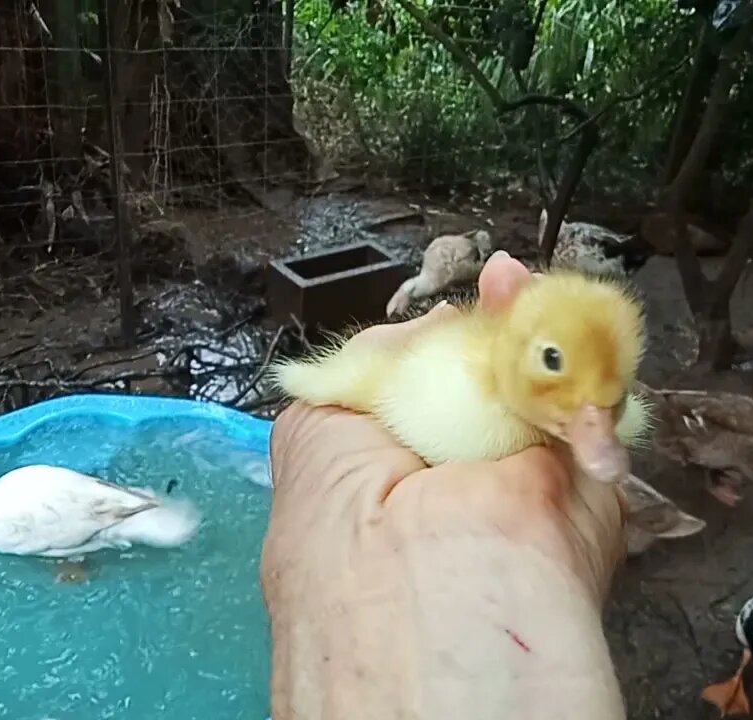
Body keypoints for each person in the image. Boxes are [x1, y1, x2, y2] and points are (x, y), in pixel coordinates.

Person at [261, 251, 631, 720]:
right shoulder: (441, 388)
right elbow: (335, 381)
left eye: (611, 396)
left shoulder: (576, 412)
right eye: (552, 360)